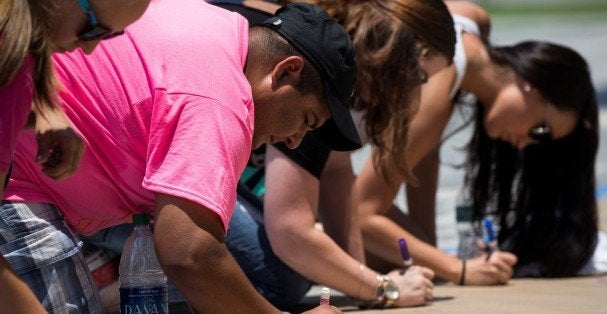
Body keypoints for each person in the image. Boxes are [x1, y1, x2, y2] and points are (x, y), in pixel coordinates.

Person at [1, 1, 357, 313]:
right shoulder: (220, 99)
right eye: (306, 121)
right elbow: (189, 253)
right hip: (19, 176)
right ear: (285, 71)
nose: (295, 142)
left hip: (39, 162)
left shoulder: (218, 27)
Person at [216, 0, 456, 310]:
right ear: (398, 54)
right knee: (282, 276)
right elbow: (291, 231)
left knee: (313, 262)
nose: (415, 91)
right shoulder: (315, 70)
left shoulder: (324, 37)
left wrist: (364, 282)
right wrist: (385, 288)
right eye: (420, 77)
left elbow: (336, 172)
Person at [354, 0, 597, 282]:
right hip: (300, 162)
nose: (525, 144)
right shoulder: (438, 86)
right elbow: (361, 213)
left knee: (416, 256)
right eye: (540, 130)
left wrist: (431, 251)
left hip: (308, 155)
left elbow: (423, 156)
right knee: (390, 254)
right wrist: (457, 269)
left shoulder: (471, 19)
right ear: (534, 86)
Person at [1, 1, 148, 312]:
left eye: (106, 37)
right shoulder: (13, 66)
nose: (90, 49)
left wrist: (42, 106)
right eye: (91, 30)